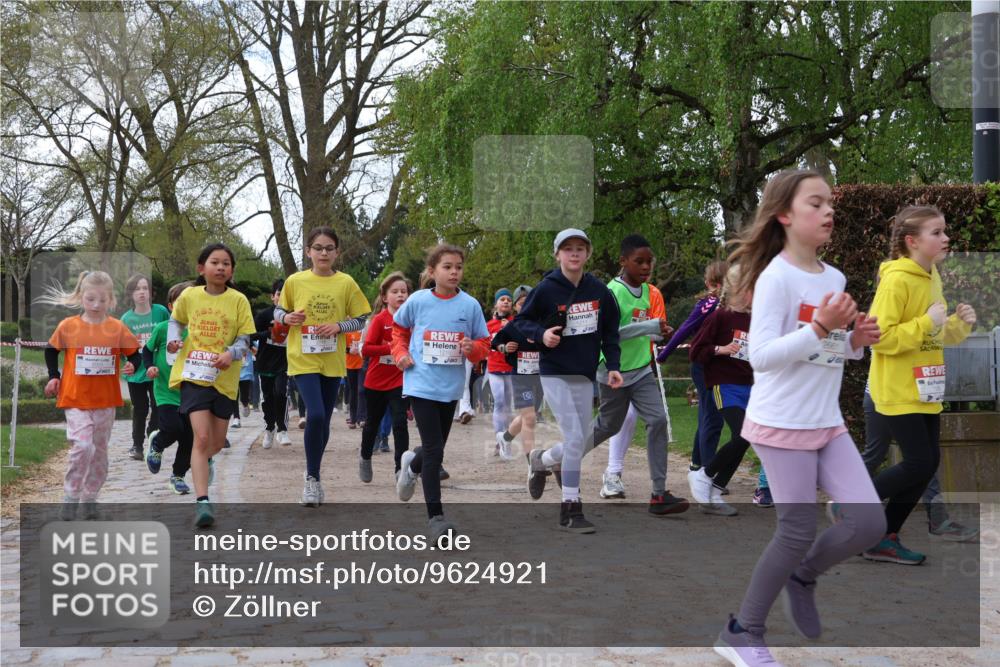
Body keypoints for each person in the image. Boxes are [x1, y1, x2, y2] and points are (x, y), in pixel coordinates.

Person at [713, 170, 884, 666]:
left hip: (825, 421)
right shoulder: (776, 278)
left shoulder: (834, 278)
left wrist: (854, 341)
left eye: (830, 202)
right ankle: (743, 631)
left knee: (870, 521)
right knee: (795, 529)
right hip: (781, 422)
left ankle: (803, 576)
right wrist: (822, 326)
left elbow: (827, 350)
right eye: (816, 203)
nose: (829, 211)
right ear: (785, 215)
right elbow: (761, 355)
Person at [864, 205, 977, 563]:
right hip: (897, 390)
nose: (946, 238)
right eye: (937, 233)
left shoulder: (932, 278)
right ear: (912, 241)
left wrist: (961, 324)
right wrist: (927, 323)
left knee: (927, 464)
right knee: (916, 463)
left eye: (945, 231)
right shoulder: (897, 280)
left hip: (928, 389)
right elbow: (878, 338)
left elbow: (938, 335)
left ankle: (882, 536)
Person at [513, 228, 626, 532]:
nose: (574, 253)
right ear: (557, 254)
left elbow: (610, 332)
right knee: (576, 438)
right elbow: (520, 322)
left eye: (580, 248)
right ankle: (570, 509)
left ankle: (542, 459)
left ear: (588, 253)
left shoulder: (600, 291)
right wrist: (542, 334)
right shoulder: (546, 289)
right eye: (567, 248)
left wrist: (613, 365)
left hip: (585, 374)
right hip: (554, 372)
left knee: (579, 438)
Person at [392, 245, 490, 545]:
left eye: (459, 267)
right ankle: (436, 520)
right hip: (420, 383)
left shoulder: (469, 305)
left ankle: (412, 464)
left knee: (434, 448)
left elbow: (483, 344)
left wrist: (472, 348)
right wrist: (400, 353)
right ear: (432, 271)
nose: (454, 272)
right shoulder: (418, 301)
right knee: (436, 449)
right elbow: (398, 330)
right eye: (447, 267)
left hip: (450, 387)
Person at [274, 227, 371, 506]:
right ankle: (312, 479)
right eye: (318, 248)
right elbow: (279, 312)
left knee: (324, 419)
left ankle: (312, 470)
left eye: (329, 248)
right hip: (302, 358)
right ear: (308, 252)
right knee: (315, 414)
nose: (323, 253)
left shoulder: (346, 283)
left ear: (337, 252)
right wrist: (288, 317)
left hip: (332, 359)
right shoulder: (295, 280)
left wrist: (340, 326)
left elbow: (361, 318)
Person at [167, 243, 257, 528]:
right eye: (215, 262)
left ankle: (203, 464)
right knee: (202, 439)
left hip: (224, 379)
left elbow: (246, 340)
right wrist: (173, 341)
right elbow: (176, 322)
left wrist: (231, 354)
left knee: (216, 444)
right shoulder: (190, 296)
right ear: (201, 268)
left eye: (226, 264)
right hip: (193, 375)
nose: (221, 268)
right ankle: (203, 502)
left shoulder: (239, 300)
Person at [41, 270, 142, 520]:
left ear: (111, 300)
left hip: (105, 401)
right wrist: (54, 376)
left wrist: (133, 366)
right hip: (75, 399)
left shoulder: (116, 328)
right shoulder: (69, 326)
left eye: (102, 300)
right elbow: (51, 350)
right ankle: (71, 496)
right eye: (90, 299)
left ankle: (90, 498)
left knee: (99, 452)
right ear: (81, 298)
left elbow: (135, 355)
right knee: (82, 446)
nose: (96, 305)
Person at [687, 264, 758, 516]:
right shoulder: (720, 316)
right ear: (736, 288)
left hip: (750, 387)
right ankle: (703, 475)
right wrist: (721, 349)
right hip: (724, 385)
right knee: (741, 435)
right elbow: (696, 351)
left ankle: (716, 491)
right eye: (749, 285)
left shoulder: (755, 319)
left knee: (748, 438)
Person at [656, 261, 728, 472]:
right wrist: (665, 354)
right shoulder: (710, 303)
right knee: (713, 419)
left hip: (717, 365)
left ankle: (697, 464)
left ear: (708, 281)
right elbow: (686, 328)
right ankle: (708, 471)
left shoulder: (731, 304)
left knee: (707, 416)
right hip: (706, 365)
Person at [143, 281, 195, 494]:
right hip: (165, 390)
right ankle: (157, 443)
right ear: (171, 306)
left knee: (189, 438)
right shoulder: (163, 328)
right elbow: (146, 351)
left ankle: (178, 476)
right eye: (179, 302)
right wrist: (151, 366)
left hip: (191, 392)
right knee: (173, 428)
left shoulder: (199, 329)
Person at [359, 272, 412, 480]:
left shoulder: (412, 319)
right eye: (395, 292)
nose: (400, 295)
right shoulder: (380, 320)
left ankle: (401, 468)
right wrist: (391, 348)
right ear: (384, 297)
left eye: (404, 292)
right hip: (376, 381)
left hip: (400, 379)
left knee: (400, 422)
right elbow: (367, 349)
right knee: (372, 423)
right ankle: (365, 457)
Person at [120, 274, 170, 460]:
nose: (141, 292)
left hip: (158, 370)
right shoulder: (126, 319)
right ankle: (137, 445)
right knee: (140, 409)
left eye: (145, 288)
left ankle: (152, 437)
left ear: (151, 292)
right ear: (131, 294)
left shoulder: (161, 312)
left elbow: (171, 333)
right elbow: (121, 347)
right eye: (137, 289)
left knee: (158, 406)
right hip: (136, 373)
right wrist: (126, 363)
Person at [490, 284, 542, 461]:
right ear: (516, 307)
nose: (525, 305)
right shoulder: (513, 326)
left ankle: (505, 438)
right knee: (530, 418)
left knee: (528, 416)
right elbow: (495, 342)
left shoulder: (542, 323)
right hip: (521, 377)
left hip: (539, 377)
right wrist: (504, 347)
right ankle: (533, 464)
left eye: (528, 302)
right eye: (520, 303)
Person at [255, 279, 291, 449]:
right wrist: (269, 333)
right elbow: (250, 335)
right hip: (265, 362)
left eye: (285, 295)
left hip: (284, 362)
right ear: (272, 296)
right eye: (279, 294)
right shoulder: (264, 315)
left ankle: (282, 429)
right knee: (268, 398)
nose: (281, 297)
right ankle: (269, 428)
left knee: (280, 393)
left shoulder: (292, 316)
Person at [486, 288, 516, 459]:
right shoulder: (489, 325)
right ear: (496, 303)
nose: (506, 302)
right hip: (495, 368)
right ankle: (499, 438)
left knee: (508, 405)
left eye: (508, 299)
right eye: (502, 299)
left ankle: (505, 439)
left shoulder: (516, 322)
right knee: (499, 402)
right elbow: (484, 343)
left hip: (512, 368)